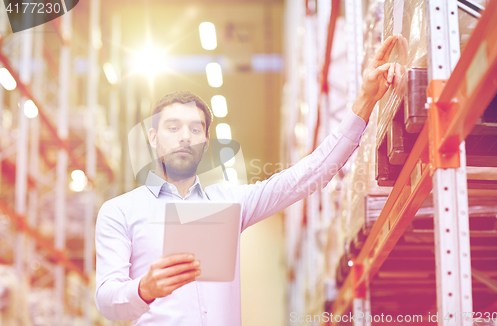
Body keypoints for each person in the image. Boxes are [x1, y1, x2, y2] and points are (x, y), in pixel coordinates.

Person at [95, 35, 398, 325]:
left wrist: (365, 100)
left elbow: (310, 174)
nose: (185, 137)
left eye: (195, 129)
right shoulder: (120, 211)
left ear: (206, 140)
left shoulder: (230, 202)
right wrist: (144, 288)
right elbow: (107, 299)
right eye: (172, 127)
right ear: (153, 136)